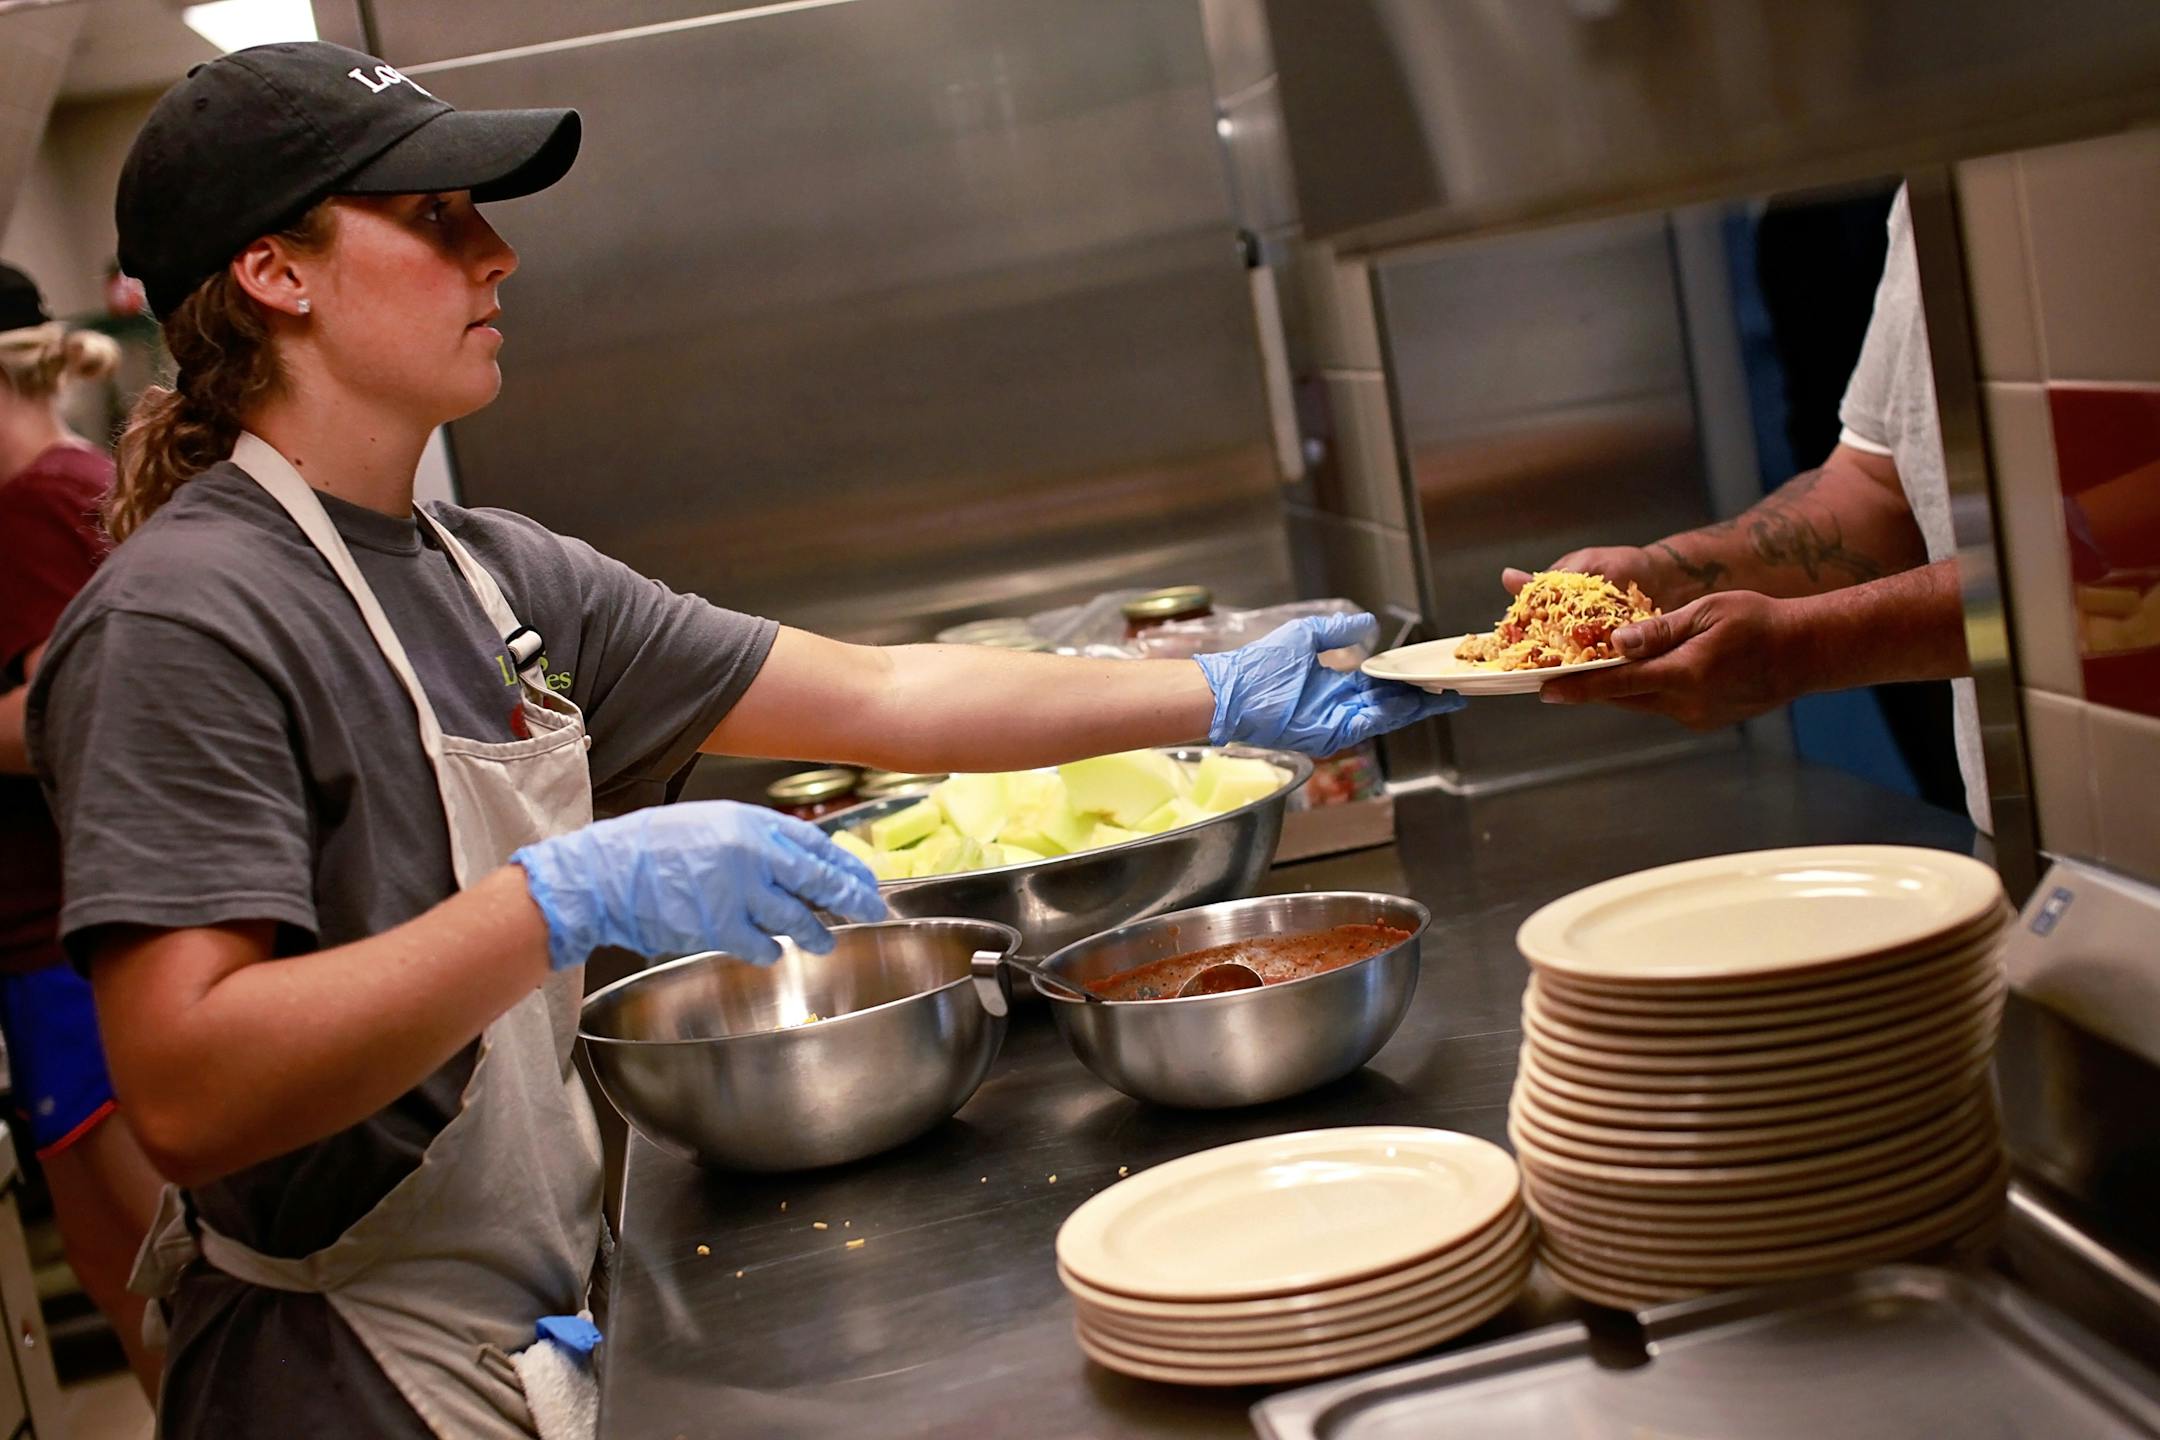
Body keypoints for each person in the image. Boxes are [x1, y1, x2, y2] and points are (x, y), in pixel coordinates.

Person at [24, 43, 1460, 1439]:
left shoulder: (493, 573)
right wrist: (556, 900)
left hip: (527, 1319)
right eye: (433, 217)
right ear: (275, 273)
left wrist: (1222, 695)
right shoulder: (187, 620)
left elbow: (887, 698)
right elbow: (190, 1085)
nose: (497, 255)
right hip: (342, 1374)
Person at [1514, 186, 1987, 829]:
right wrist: (1660, 576)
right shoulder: (1925, 198)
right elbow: (1881, 489)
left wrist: (1808, 649)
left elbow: (2113, 570)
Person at [0, 261, 165, 1399]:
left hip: (76, 942)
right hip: (54, 943)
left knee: (167, 1282)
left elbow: (69, 707)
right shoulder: (65, 486)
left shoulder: (32, 504)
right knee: (127, 1276)